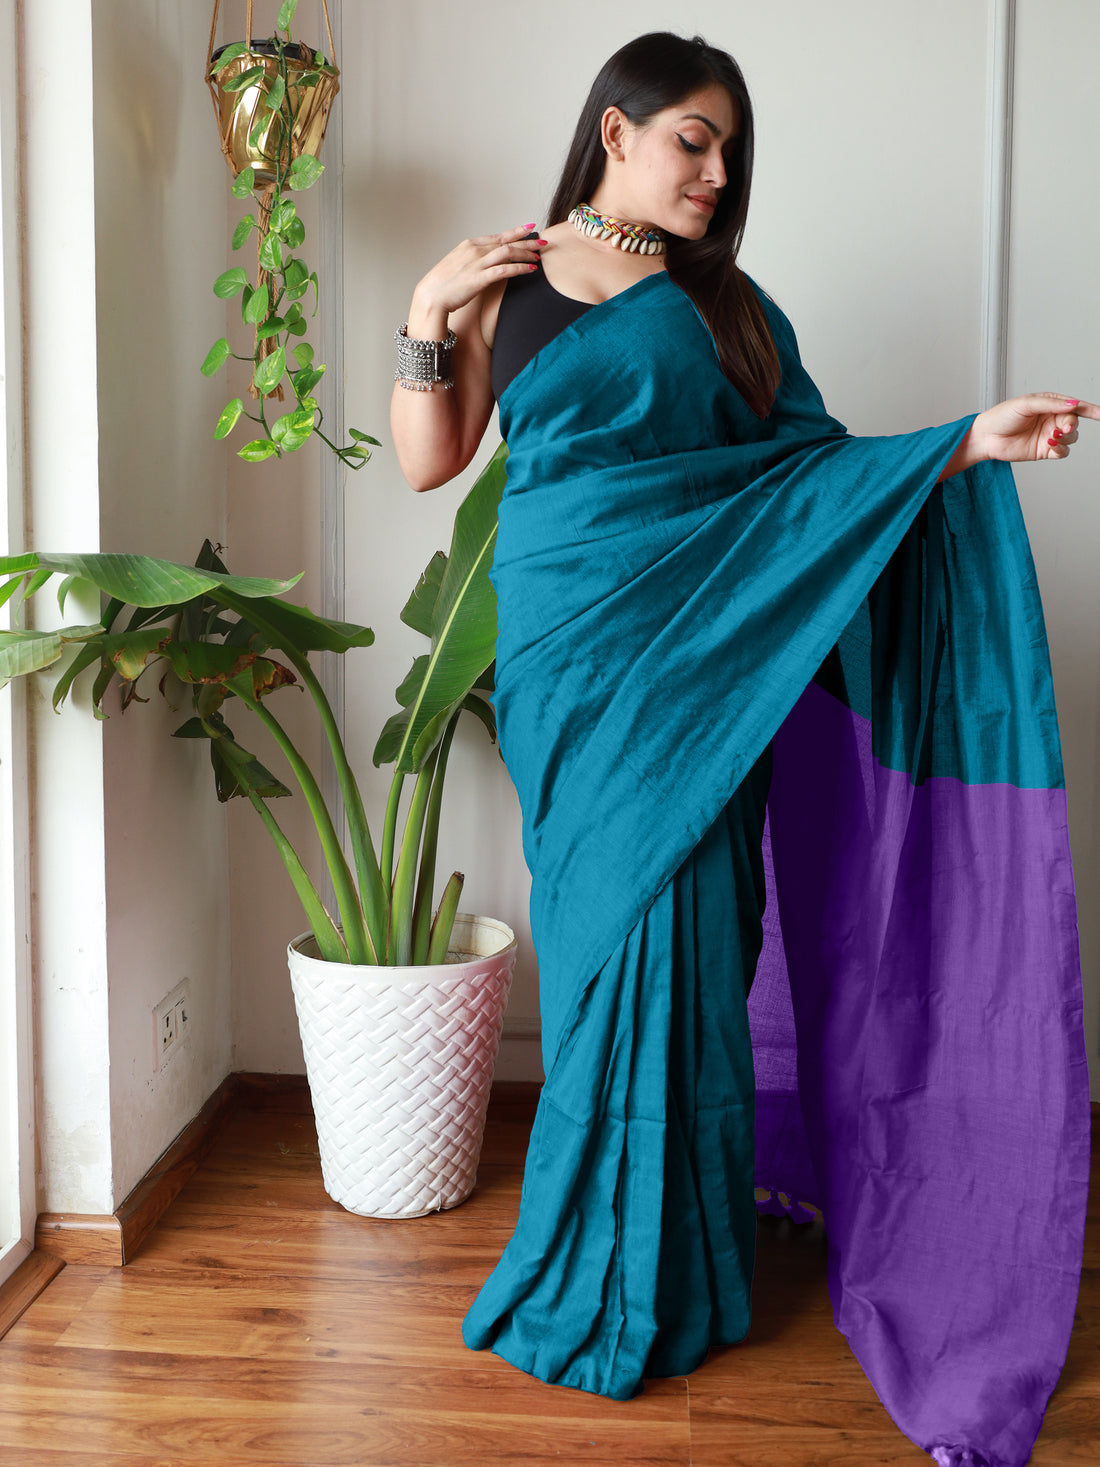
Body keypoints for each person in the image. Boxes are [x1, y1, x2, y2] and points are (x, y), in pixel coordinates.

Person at [389, 31, 1093, 1467]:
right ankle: (594, 1263)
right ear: (615, 131)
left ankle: (686, 1269)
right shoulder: (508, 277)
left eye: (729, 154)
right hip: (574, 665)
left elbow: (811, 481)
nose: (715, 174)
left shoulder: (733, 311)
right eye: (692, 142)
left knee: (699, 948)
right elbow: (429, 459)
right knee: (602, 947)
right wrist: (424, 313)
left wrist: (964, 443)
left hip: (705, 677)